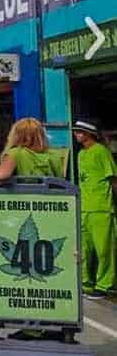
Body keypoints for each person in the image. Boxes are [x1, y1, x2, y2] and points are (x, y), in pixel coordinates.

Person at [73, 120, 116, 300]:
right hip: (84, 208)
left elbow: (113, 179)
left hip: (101, 208)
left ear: (89, 133)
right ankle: (85, 282)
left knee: (104, 250)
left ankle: (104, 285)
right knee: (84, 248)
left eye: (79, 131)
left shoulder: (101, 152)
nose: (76, 134)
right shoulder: (81, 154)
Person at [0, 117, 62, 181]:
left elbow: (3, 175)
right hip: (51, 194)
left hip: (24, 193)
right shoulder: (54, 154)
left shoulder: (15, 153)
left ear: (16, 135)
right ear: (41, 135)